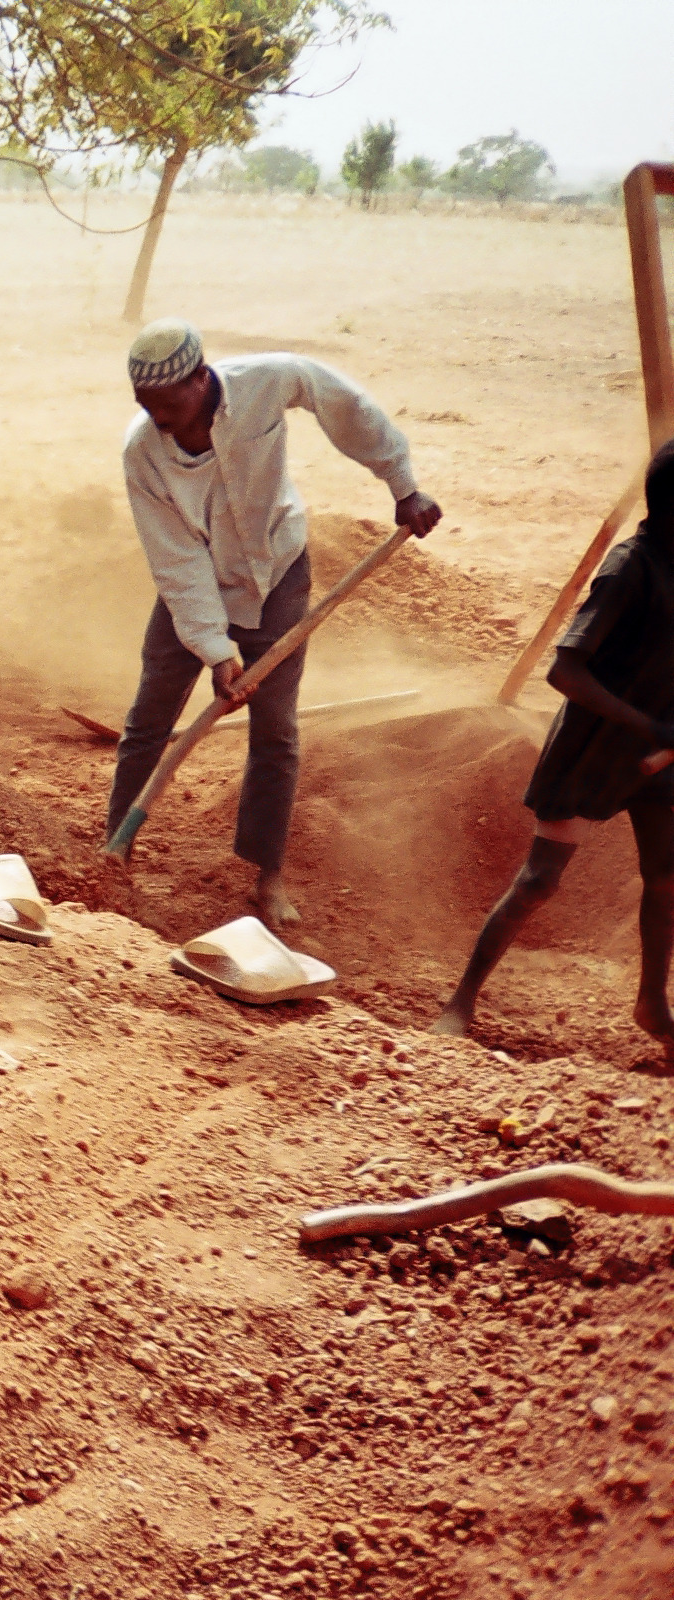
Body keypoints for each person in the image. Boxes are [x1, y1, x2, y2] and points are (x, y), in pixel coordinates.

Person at [106, 318, 443, 926]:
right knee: (151, 715)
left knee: (276, 731)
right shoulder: (142, 452)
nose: (156, 414)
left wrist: (402, 484)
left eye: (166, 401)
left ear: (201, 379)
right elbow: (176, 560)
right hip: (197, 581)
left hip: (277, 571)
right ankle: (116, 847)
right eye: (144, 403)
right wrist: (215, 651)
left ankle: (266, 875)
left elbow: (341, 403)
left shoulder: (267, 380)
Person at [435, 440, 674, 1051]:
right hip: (592, 748)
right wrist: (647, 727)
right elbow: (565, 672)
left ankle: (652, 1003)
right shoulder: (629, 568)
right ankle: (462, 999)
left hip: (658, 753)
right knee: (541, 879)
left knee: (667, 878)